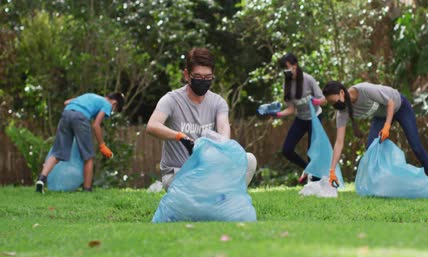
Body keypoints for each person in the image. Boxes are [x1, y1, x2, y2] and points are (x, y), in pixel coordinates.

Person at [146, 47, 257, 191]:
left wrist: (222, 146)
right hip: (178, 175)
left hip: (206, 172)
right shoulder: (171, 100)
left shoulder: (218, 102)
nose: (203, 81)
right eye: (198, 77)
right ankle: (215, 201)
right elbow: (152, 126)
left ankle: (226, 200)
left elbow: (224, 129)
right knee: (202, 187)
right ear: (187, 75)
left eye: (208, 77)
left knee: (248, 160)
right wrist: (179, 136)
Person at [322, 81, 428, 195]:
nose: (334, 105)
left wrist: (387, 126)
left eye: (333, 101)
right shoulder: (342, 113)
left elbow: (390, 102)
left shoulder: (364, 90)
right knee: (371, 149)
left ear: (342, 93)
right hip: (381, 116)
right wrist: (332, 170)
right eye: (331, 103)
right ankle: (381, 186)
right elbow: (339, 142)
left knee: (416, 147)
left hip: (400, 106)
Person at [35, 92, 125, 193]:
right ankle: (87, 189)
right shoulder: (107, 104)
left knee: (57, 153)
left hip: (66, 113)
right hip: (81, 118)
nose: (110, 112)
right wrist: (102, 145)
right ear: (114, 103)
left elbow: (66, 102)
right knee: (88, 156)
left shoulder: (90, 96)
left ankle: (41, 179)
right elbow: (96, 125)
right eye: (113, 110)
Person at [266, 53, 327, 184]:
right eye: (284, 69)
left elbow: (324, 100)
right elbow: (291, 109)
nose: (287, 71)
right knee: (287, 150)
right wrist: (277, 115)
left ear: (295, 66)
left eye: (288, 68)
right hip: (301, 119)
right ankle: (307, 169)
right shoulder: (286, 84)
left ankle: (316, 184)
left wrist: (315, 101)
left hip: (315, 118)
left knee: (313, 153)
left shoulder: (308, 79)